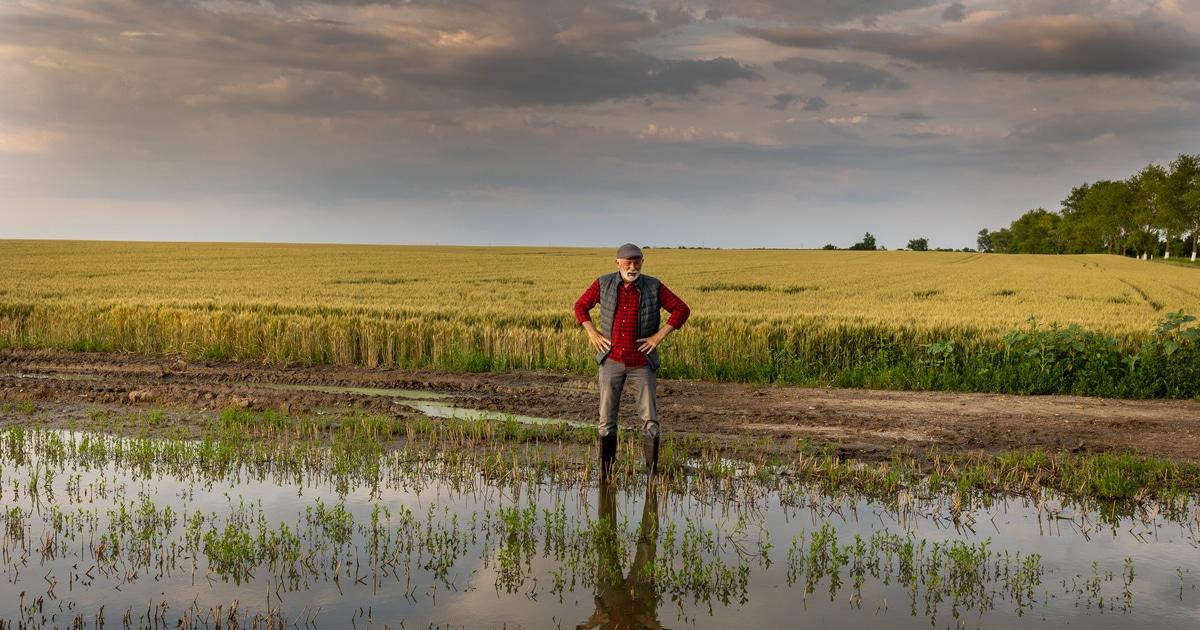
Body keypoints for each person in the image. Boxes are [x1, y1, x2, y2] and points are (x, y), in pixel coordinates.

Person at [574, 243, 690, 478]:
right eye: (627, 262)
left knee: (650, 420)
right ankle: (606, 476)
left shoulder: (653, 286)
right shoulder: (603, 283)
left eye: (636, 261)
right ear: (617, 263)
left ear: (642, 262)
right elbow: (580, 306)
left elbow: (681, 309)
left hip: (642, 363)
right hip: (611, 360)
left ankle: (652, 474)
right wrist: (592, 333)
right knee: (606, 420)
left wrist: (657, 337)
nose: (632, 266)